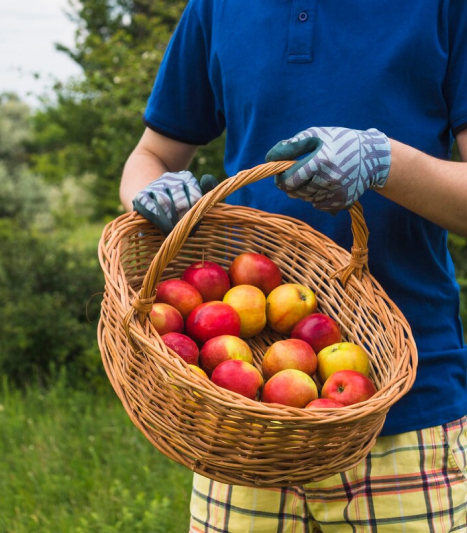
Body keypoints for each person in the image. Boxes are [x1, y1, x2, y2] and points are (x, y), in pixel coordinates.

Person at [120, 1, 467, 531]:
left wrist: (385, 161)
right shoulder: (216, 8)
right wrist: (149, 190)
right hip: (242, 412)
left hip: (406, 409)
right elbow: (154, 154)